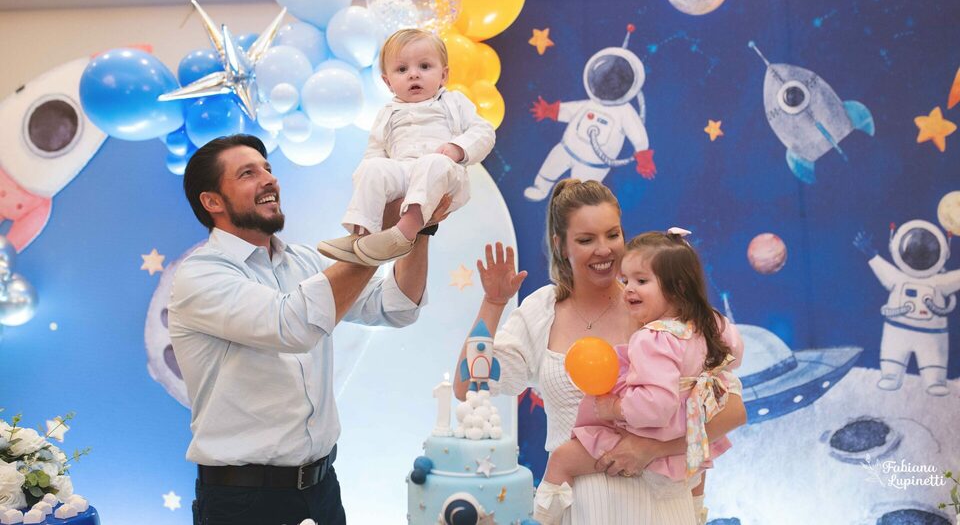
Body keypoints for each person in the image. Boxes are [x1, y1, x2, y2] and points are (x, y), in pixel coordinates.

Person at [168, 134, 444, 525]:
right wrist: (383, 239)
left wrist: (419, 228)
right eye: (248, 173)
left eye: (268, 169)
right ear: (213, 202)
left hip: (322, 489)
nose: (269, 179)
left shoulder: (303, 261)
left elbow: (396, 307)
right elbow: (293, 326)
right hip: (243, 503)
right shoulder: (201, 275)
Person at [454, 179, 747, 525]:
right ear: (560, 245)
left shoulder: (659, 308)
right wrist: (493, 303)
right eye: (586, 240)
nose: (604, 250)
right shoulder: (542, 311)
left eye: (612, 235)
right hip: (582, 508)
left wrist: (651, 449)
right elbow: (467, 386)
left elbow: (732, 411)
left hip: (663, 505)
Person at [533, 229, 743, 525]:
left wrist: (614, 408)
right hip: (687, 443)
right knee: (695, 487)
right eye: (626, 280)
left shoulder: (652, 338)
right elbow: (734, 351)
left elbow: (656, 406)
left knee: (562, 458)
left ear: (678, 288)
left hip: (649, 434)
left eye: (641, 281)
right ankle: (697, 514)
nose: (629, 289)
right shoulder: (708, 324)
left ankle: (540, 519)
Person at [317, 28, 495, 267]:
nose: (414, 74)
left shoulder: (453, 101)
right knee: (371, 167)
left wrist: (457, 148)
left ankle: (404, 233)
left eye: (424, 66)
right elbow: (375, 151)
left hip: (444, 175)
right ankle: (362, 236)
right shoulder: (387, 113)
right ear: (388, 82)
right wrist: (372, 174)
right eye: (402, 69)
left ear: (443, 75)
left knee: (432, 162)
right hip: (404, 173)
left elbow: (484, 131)